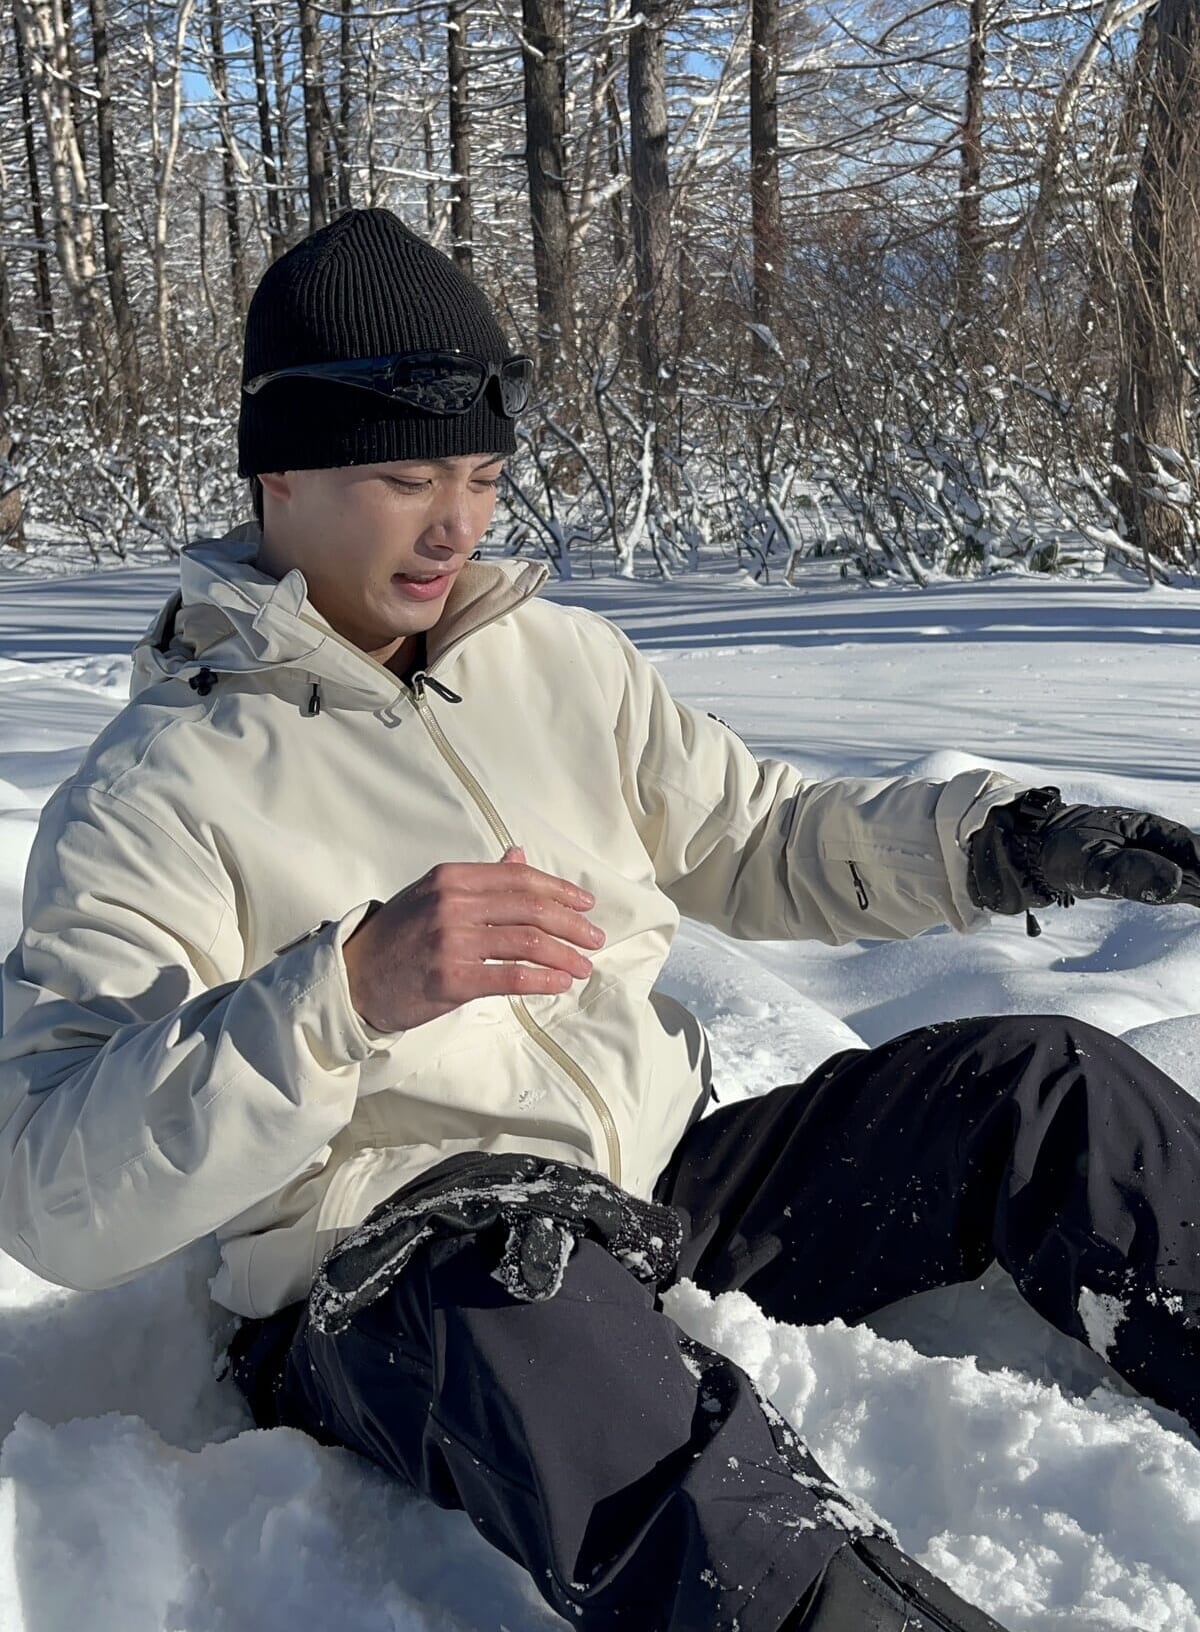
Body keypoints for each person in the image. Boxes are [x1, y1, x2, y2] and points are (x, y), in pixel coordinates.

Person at [2, 209, 1199, 1632]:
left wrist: (994, 847)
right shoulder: (157, 792)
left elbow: (752, 835)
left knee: (1043, 1088)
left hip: (656, 1186)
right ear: (281, 471)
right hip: (391, 1281)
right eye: (406, 477)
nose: (456, 525)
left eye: (482, 476)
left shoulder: (558, 663)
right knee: (533, 1291)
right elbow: (51, 1184)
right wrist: (344, 995)